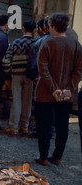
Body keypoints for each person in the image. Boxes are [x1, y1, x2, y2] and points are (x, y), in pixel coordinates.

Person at [34, 13, 82, 166]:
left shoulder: (47, 44)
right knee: (63, 125)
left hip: (46, 94)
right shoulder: (76, 45)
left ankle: (43, 156)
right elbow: (79, 71)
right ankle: (57, 156)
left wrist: (54, 89)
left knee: (45, 126)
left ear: (51, 26)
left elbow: (43, 70)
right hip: (67, 95)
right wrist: (68, 88)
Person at [2, 19, 37, 135]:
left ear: (23, 28)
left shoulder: (16, 42)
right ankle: (24, 126)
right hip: (30, 76)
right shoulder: (36, 43)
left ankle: (14, 126)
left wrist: (8, 71)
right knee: (27, 101)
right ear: (34, 30)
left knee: (16, 100)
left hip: (16, 75)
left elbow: (5, 59)